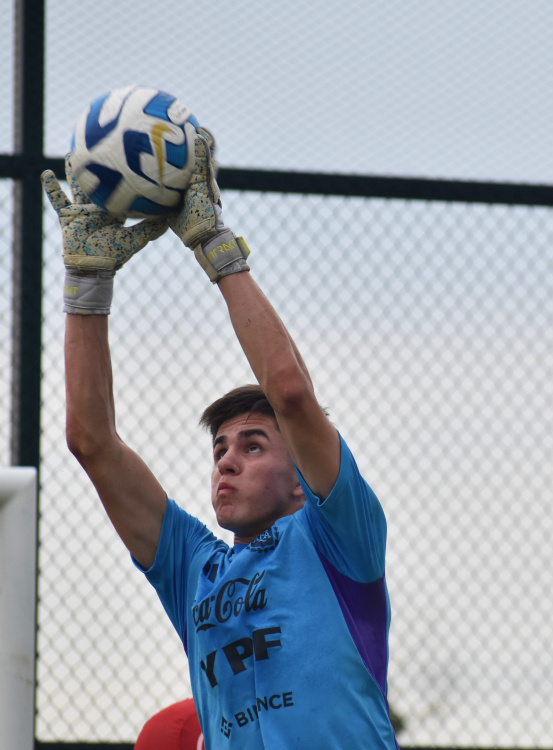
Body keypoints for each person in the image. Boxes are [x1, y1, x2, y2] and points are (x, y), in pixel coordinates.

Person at [42, 128, 397, 749]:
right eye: (220, 450)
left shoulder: (337, 538)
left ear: (300, 482)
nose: (226, 461)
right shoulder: (195, 569)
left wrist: (214, 245)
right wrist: (86, 286)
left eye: (254, 446)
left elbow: (289, 390)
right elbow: (91, 442)